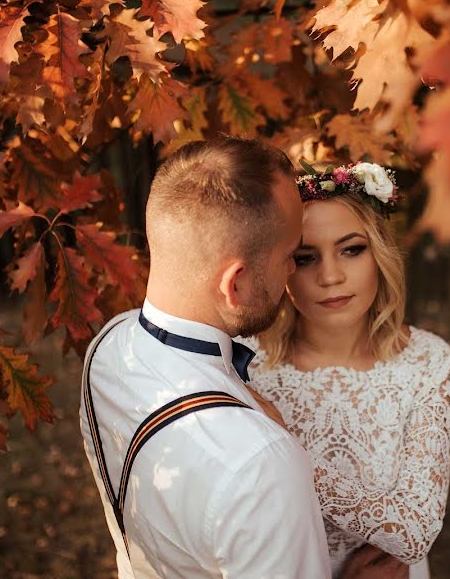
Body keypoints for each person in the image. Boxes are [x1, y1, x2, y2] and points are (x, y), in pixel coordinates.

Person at [79, 138, 330, 578]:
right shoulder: (261, 467)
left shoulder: (106, 348)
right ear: (235, 285)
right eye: (290, 256)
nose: (294, 271)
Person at [239, 162, 450, 579]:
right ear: (281, 267)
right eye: (305, 257)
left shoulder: (430, 364)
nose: (330, 276)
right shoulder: (243, 367)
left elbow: (413, 534)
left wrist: (287, 450)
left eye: (351, 249)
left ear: (379, 253)